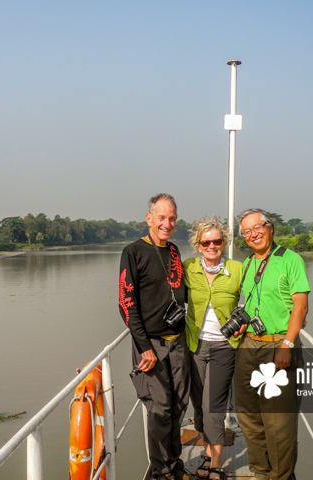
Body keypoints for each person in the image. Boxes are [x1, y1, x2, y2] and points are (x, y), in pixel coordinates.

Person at [118, 194, 195, 480]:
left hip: (178, 341)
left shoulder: (173, 251)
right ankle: (160, 472)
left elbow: (185, 292)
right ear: (149, 218)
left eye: (172, 218)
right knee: (160, 409)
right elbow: (126, 302)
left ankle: (175, 464)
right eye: (161, 217)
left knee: (178, 406)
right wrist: (144, 348)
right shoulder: (133, 251)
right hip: (151, 345)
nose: (167, 223)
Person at [232, 208, 310, 480]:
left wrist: (287, 344)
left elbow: (301, 307)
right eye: (247, 231)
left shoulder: (291, 260)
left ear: (270, 228)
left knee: (279, 423)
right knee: (248, 414)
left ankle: (281, 476)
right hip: (248, 344)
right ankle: (261, 471)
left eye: (258, 227)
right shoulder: (248, 264)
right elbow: (251, 304)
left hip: (278, 345)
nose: (253, 235)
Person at [183, 216, 242, 480]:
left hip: (223, 348)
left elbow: (258, 299)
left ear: (224, 243)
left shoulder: (237, 269)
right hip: (194, 346)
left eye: (217, 241)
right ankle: (208, 454)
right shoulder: (188, 268)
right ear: (198, 244)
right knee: (198, 405)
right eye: (206, 241)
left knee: (213, 406)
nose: (212, 246)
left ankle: (216, 463)